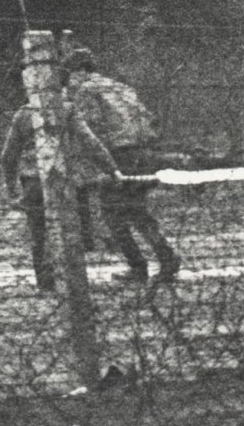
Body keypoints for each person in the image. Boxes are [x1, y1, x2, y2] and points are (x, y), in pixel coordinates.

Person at [61, 48, 181, 284]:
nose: (70, 80)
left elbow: (90, 127)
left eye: (70, 74)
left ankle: (138, 266)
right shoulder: (122, 87)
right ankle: (166, 257)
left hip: (119, 155)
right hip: (144, 152)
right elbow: (148, 118)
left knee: (112, 214)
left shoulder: (86, 90)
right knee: (137, 210)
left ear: (81, 71)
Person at [0, 96, 121, 292]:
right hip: (65, 177)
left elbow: (9, 155)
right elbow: (89, 140)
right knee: (72, 230)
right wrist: (111, 168)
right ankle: (74, 281)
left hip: (34, 181)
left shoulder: (24, 113)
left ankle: (46, 283)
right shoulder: (68, 109)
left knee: (39, 235)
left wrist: (11, 187)